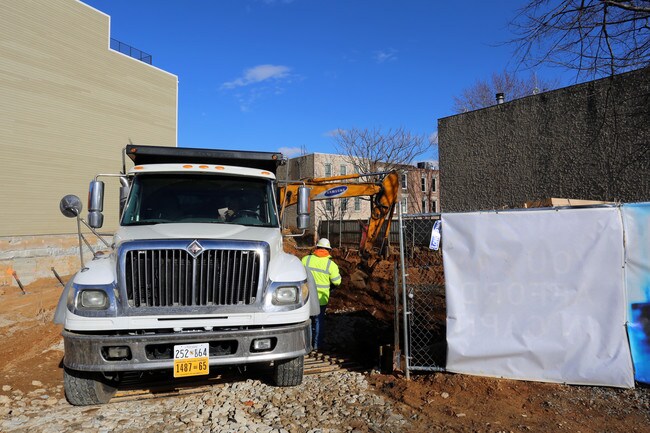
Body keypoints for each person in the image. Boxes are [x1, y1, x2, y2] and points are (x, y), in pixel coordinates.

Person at [301, 238, 341, 351]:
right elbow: (337, 282)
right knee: (318, 321)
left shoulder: (305, 260)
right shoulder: (331, 265)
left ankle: (305, 345)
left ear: (317, 248)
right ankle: (317, 345)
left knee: (306, 320)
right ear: (328, 250)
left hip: (306, 297)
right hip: (321, 299)